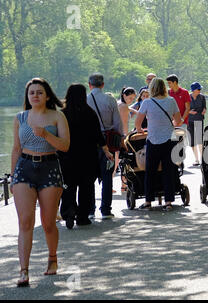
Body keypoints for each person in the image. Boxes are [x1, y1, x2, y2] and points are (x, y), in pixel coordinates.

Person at [10, 78, 70, 287]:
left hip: (49, 167)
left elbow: (65, 146)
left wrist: (45, 134)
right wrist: (12, 177)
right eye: (31, 92)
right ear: (27, 97)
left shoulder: (57, 116)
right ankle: (24, 271)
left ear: (47, 96)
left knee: (47, 222)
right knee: (25, 221)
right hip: (24, 168)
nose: (35, 95)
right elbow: (16, 148)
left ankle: (52, 259)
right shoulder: (20, 118)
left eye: (39, 92)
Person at [58, 84, 114, 229]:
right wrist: (106, 151)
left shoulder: (62, 114)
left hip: (67, 157)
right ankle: (82, 217)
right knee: (86, 188)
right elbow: (98, 135)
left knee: (68, 187)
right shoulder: (90, 113)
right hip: (88, 157)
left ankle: (69, 210)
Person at [135, 78, 183, 211]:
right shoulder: (171, 101)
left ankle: (148, 201)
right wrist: (169, 125)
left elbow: (138, 123)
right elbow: (178, 121)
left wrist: (141, 130)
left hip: (153, 140)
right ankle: (168, 202)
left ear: (152, 88)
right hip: (169, 140)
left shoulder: (147, 102)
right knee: (168, 171)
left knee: (150, 172)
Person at [87, 73, 123, 220]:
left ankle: (89, 209)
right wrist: (120, 139)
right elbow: (117, 123)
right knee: (107, 176)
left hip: (89, 142)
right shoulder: (110, 99)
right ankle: (106, 210)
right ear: (103, 85)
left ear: (89, 85)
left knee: (88, 177)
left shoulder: (85, 100)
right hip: (107, 140)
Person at [188, 82, 206, 166]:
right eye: (198, 89)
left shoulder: (202, 97)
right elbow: (182, 109)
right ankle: (196, 159)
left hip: (199, 119)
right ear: (193, 90)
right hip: (190, 121)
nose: (200, 90)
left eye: (200, 89)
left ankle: (202, 159)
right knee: (192, 140)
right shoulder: (187, 97)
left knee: (199, 139)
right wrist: (189, 111)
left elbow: (204, 107)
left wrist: (204, 110)